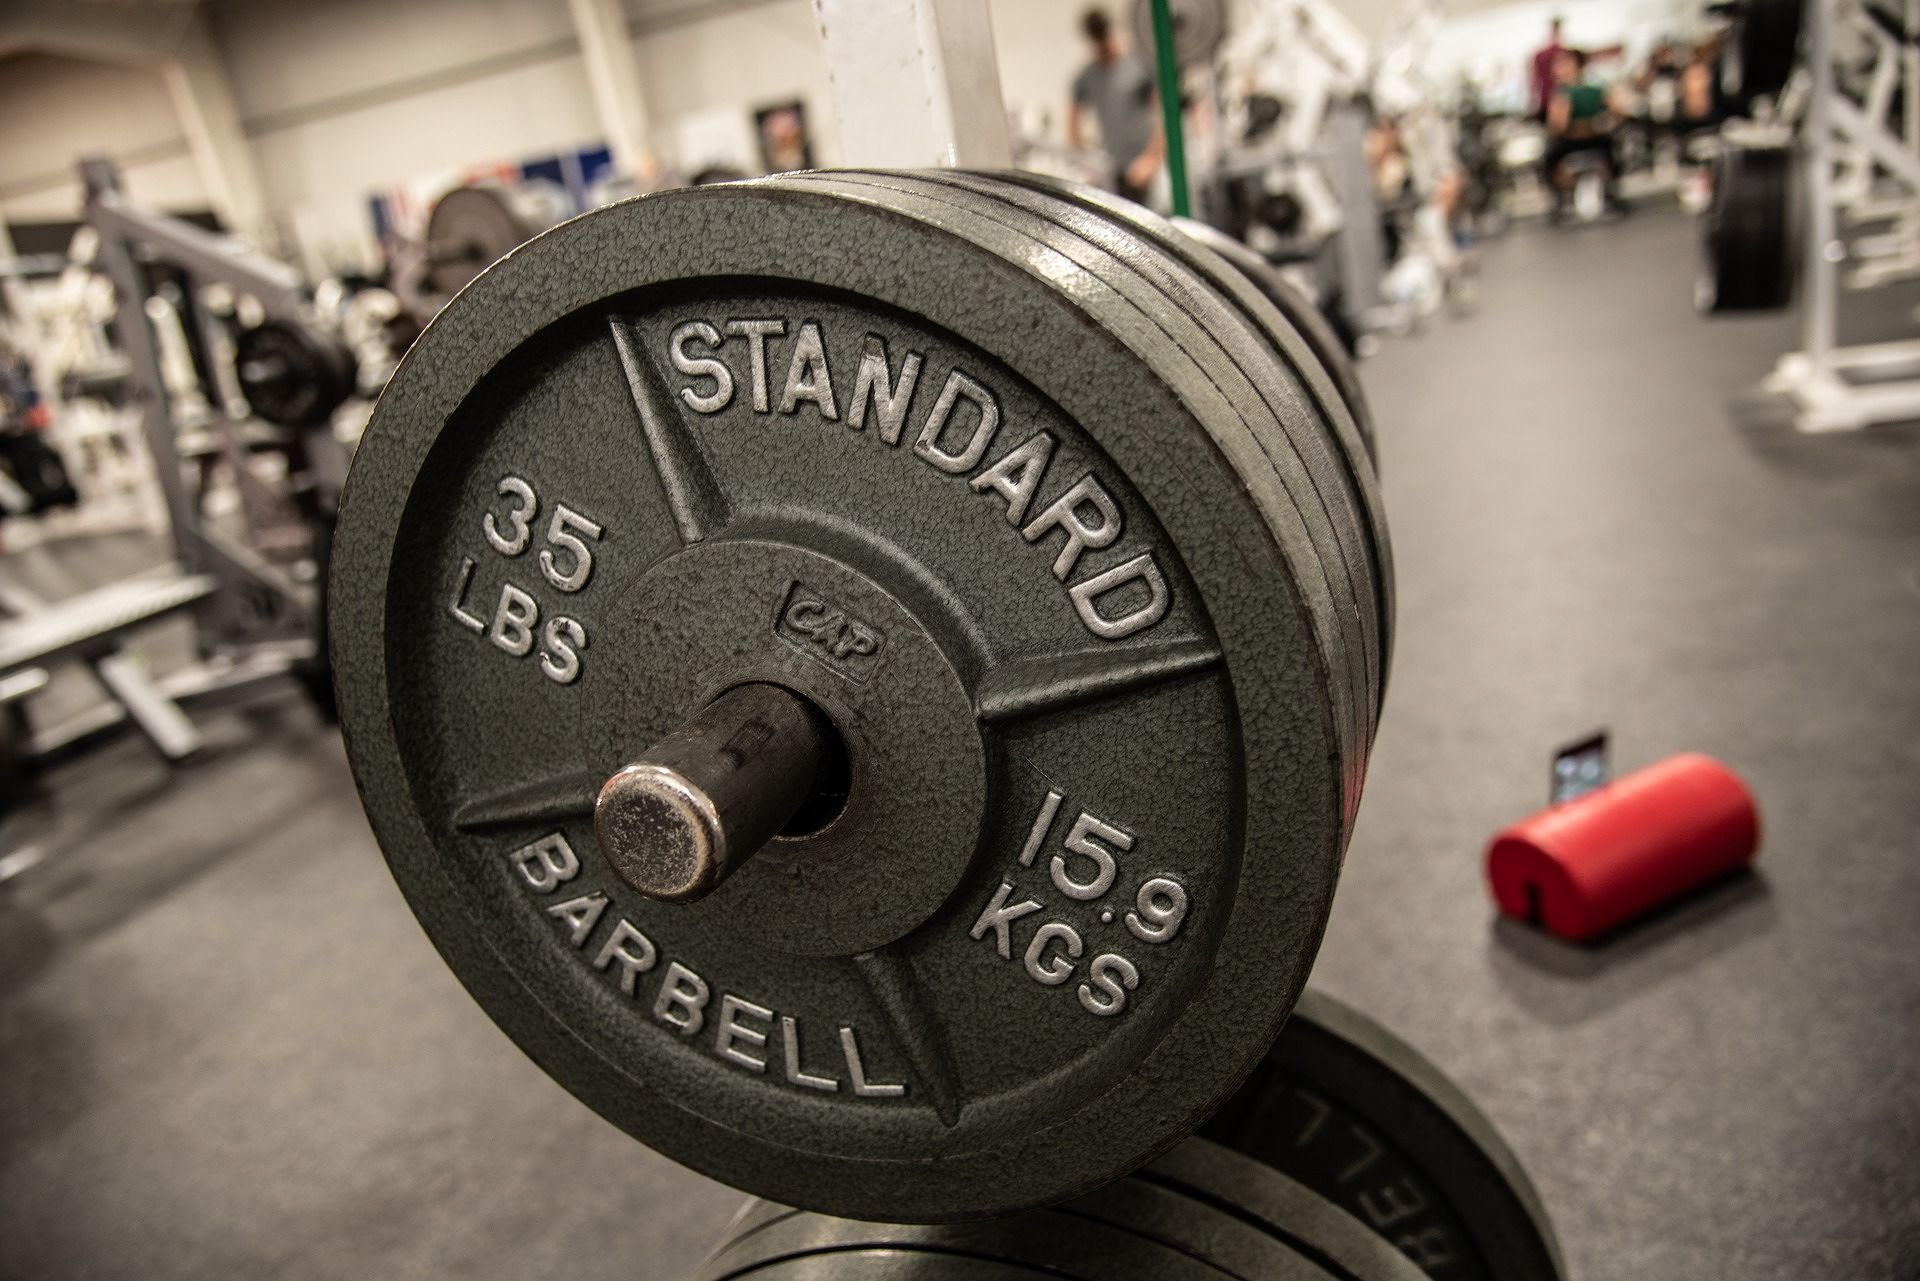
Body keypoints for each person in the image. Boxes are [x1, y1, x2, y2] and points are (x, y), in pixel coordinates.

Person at [1068, 7, 1164, 203]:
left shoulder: (1140, 65)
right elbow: (1072, 124)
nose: (1102, 47)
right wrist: (1088, 157)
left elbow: (1163, 115)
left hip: (1148, 169)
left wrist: (1152, 158)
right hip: (1116, 173)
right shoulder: (1088, 76)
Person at [1545, 48, 1625, 219]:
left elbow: (1558, 126)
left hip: (1572, 144)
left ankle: (1563, 200)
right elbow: (1618, 113)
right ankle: (1609, 194)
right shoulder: (1598, 89)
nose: (1558, 69)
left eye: (1564, 64)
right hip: (1598, 142)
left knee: (1549, 162)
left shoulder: (1563, 94)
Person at [1529, 18, 1568, 119]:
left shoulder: (1541, 54)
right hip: (1558, 98)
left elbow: (1533, 81)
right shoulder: (1562, 53)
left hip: (1547, 97)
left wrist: (1533, 100)